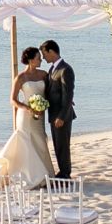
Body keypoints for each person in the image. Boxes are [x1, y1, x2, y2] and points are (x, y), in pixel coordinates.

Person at [0, 46, 57, 191]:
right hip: (25, 115)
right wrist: (28, 108)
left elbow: (52, 92)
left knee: (40, 141)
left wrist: (45, 105)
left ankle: (45, 176)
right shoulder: (20, 78)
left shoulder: (43, 75)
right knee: (26, 143)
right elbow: (13, 100)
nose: (41, 59)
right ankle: (32, 176)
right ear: (31, 60)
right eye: (38, 57)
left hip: (40, 114)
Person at [41, 39, 76, 180]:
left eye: (44, 54)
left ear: (51, 51)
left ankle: (65, 174)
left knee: (63, 145)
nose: (43, 57)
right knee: (57, 145)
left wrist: (61, 116)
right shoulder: (52, 69)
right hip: (54, 114)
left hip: (62, 116)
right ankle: (62, 172)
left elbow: (68, 95)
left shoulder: (65, 69)